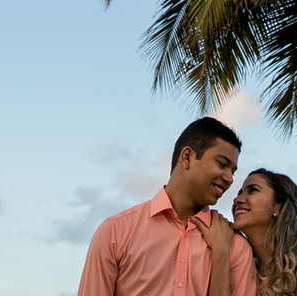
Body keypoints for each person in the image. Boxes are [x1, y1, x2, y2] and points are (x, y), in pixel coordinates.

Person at [77, 117, 259, 296]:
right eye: (222, 164)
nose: (230, 178)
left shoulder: (235, 246)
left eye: (233, 171)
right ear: (187, 157)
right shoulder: (116, 233)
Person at [225, 169, 297, 296]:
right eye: (239, 193)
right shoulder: (239, 266)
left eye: (253, 190)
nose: (237, 199)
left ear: (278, 207)